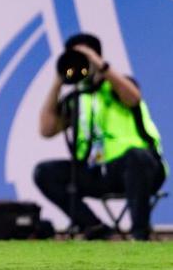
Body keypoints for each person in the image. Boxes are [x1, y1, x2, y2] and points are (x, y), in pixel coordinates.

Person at [35, 33, 167, 241]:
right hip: (96, 171)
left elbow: (133, 98)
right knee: (44, 172)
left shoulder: (118, 85)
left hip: (141, 168)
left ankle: (140, 234)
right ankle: (95, 228)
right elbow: (46, 129)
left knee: (136, 157)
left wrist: (99, 65)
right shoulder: (77, 98)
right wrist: (59, 80)